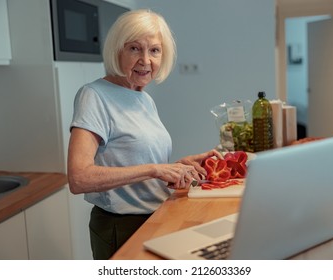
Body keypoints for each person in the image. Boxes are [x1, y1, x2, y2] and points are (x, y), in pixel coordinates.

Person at [67, 9, 222, 260]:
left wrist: (176, 168)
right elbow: (79, 178)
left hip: (157, 214)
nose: (146, 60)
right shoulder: (94, 95)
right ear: (117, 49)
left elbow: (135, 162)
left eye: (154, 50)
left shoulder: (144, 98)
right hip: (121, 226)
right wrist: (154, 169)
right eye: (134, 49)